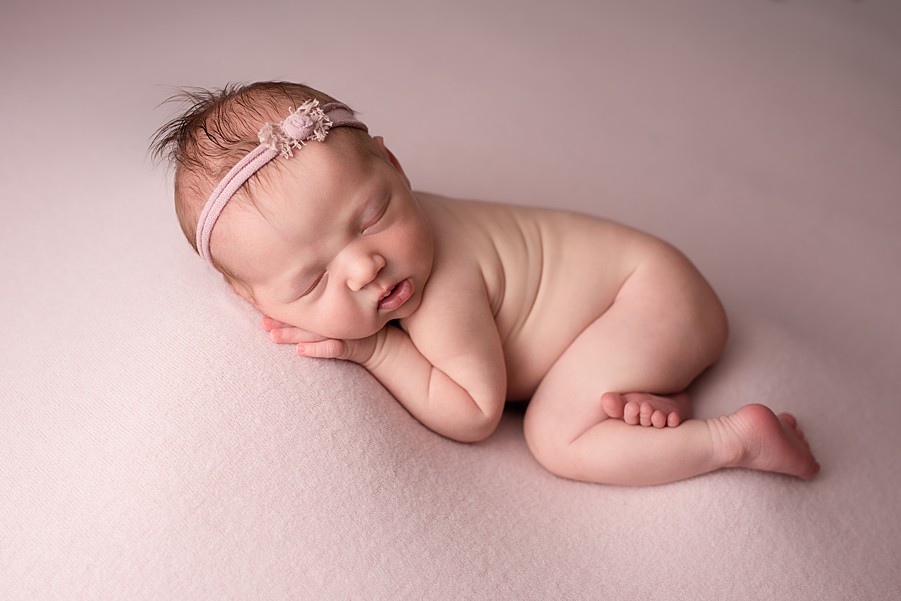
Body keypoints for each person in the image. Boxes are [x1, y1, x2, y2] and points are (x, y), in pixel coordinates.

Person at [152, 81, 819, 486]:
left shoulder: (440, 286)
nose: (364, 268)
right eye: (313, 278)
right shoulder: (400, 239)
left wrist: (377, 349)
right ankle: (652, 389)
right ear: (254, 298)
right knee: (577, 395)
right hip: (635, 299)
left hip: (647, 298)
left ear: (393, 163)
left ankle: (732, 438)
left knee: (556, 438)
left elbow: (474, 412)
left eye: (373, 216)